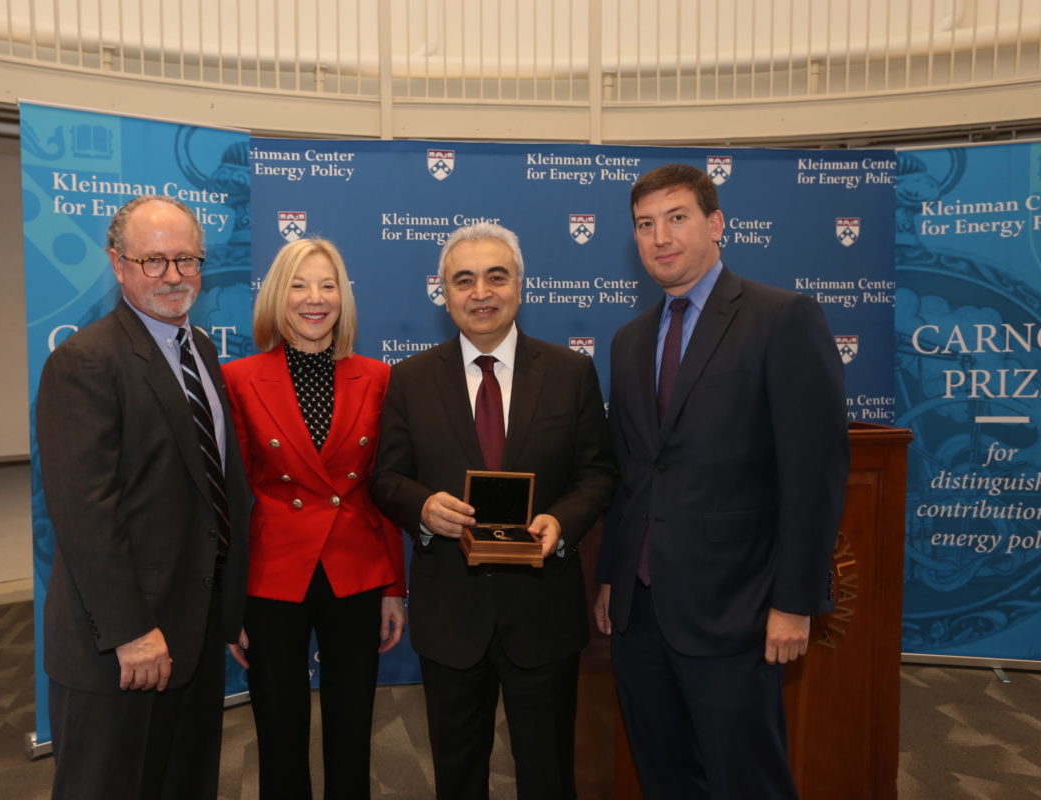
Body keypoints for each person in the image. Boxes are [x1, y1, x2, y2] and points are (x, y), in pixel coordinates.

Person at [593, 163, 849, 800]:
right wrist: (610, 578)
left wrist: (794, 602)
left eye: (676, 218)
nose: (660, 237)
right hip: (640, 612)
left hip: (738, 610)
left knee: (747, 782)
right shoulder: (627, 342)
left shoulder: (782, 317)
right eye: (645, 226)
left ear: (716, 224)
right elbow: (634, 475)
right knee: (665, 777)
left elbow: (813, 474)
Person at [371, 222, 617, 800]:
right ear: (445, 292)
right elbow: (386, 477)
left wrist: (564, 524)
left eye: (495, 276)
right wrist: (423, 507)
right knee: (458, 776)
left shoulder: (570, 373)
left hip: (543, 612)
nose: (480, 292)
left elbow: (599, 472)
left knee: (548, 773)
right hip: (451, 613)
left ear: (520, 287)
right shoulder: (408, 379)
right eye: (464, 279)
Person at [36, 195, 250, 799]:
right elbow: (84, 513)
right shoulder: (85, 362)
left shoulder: (202, 352)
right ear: (117, 264)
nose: (174, 276)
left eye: (187, 259)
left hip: (196, 631)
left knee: (184, 784)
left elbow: (219, 491)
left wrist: (230, 611)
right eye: (153, 261)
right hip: (122, 646)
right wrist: (132, 631)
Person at [222, 237, 407, 800]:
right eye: (300, 284)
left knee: (353, 728)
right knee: (278, 732)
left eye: (328, 285)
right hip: (273, 574)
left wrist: (393, 588)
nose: (315, 298)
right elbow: (233, 498)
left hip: (355, 568)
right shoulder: (238, 377)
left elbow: (385, 488)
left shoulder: (378, 376)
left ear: (344, 298)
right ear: (278, 295)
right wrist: (232, 604)